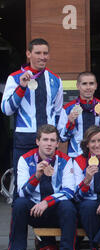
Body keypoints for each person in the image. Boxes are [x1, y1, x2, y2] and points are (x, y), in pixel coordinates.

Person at [9, 125, 77, 250]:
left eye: (53, 140)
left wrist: (47, 201)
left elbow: (69, 191)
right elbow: (22, 192)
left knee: (69, 207)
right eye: (45, 139)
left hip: (55, 210)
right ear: (37, 141)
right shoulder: (25, 159)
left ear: (58, 143)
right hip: (34, 210)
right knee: (19, 204)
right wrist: (37, 176)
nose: (49, 144)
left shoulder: (65, 160)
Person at [1, 38, 63, 194]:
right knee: (21, 188)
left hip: (48, 141)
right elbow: (6, 109)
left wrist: (55, 138)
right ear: (28, 54)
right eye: (38, 53)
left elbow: (57, 112)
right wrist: (21, 88)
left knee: (49, 184)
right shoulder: (14, 78)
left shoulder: (55, 80)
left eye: (45, 53)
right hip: (24, 140)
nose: (42, 57)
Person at [58, 71, 100, 158]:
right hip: (75, 156)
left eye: (91, 84)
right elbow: (62, 138)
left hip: (98, 156)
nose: (88, 87)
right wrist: (70, 123)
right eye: (84, 84)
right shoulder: (67, 109)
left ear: (96, 86)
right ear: (78, 86)